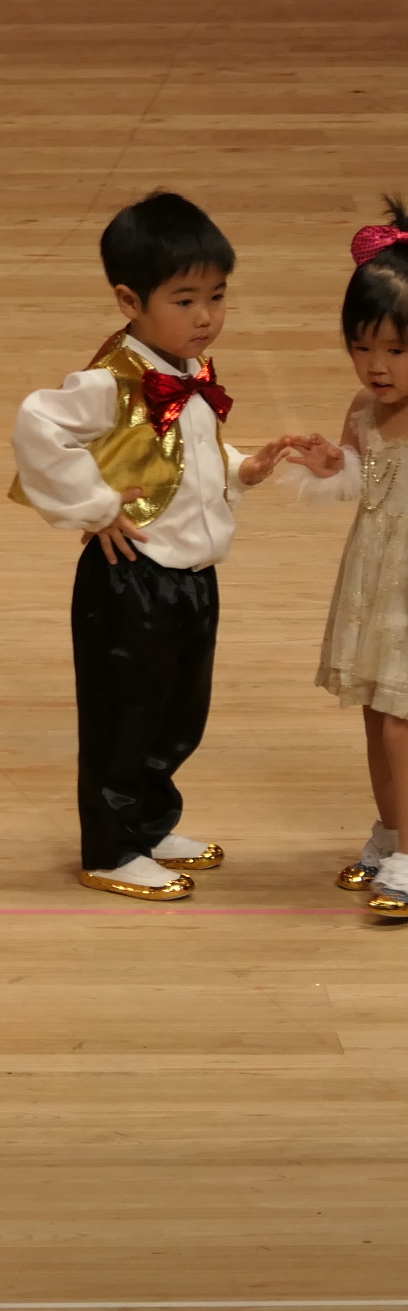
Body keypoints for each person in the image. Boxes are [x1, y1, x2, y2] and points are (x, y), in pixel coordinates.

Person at [11, 192, 311, 901]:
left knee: (178, 715)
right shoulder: (111, 380)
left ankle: (146, 823)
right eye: (185, 300)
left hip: (192, 576)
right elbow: (37, 425)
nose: (206, 316)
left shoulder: (188, 373)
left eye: (217, 296)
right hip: (131, 580)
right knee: (125, 717)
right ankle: (111, 850)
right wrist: (95, 507)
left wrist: (243, 469)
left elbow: (184, 459)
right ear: (130, 300)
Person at [286, 207, 408, 912]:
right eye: (362, 347)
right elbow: (360, 482)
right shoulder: (364, 408)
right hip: (375, 584)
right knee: (373, 713)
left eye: (396, 349)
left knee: (401, 720)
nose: (376, 366)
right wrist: (334, 467)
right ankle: (391, 833)